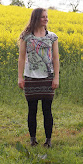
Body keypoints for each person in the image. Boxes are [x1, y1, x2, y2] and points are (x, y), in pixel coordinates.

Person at [18, 8, 59, 148]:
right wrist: (20, 77)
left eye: (47, 17)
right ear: (36, 18)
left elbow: (55, 58)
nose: (46, 19)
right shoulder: (26, 36)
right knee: (32, 109)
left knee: (47, 110)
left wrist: (56, 77)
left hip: (48, 77)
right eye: (43, 17)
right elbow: (22, 58)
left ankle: (48, 140)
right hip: (30, 77)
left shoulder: (52, 37)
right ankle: (33, 139)